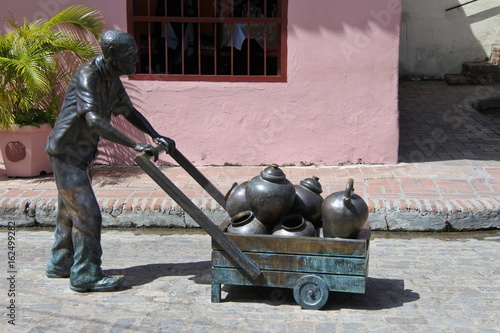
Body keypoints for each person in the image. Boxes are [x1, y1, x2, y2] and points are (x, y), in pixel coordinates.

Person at [45, 29, 175, 292]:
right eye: (131, 55)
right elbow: (93, 120)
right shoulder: (88, 76)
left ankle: (60, 262)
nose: (136, 61)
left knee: (69, 211)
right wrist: (134, 144)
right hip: (67, 154)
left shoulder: (111, 77)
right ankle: (85, 274)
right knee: (87, 214)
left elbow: (128, 111)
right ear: (113, 55)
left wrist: (154, 135)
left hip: (82, 153)